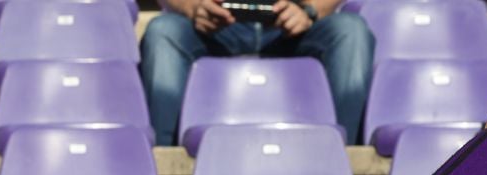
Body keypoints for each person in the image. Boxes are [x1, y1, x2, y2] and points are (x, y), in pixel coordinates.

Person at [140, 0, 375, 147]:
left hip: (292, 27)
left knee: (351, 30)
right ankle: (162, 158)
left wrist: (310, 10)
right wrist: (195, 8)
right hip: (214, 26)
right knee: (163, 31)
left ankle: (342, 156)